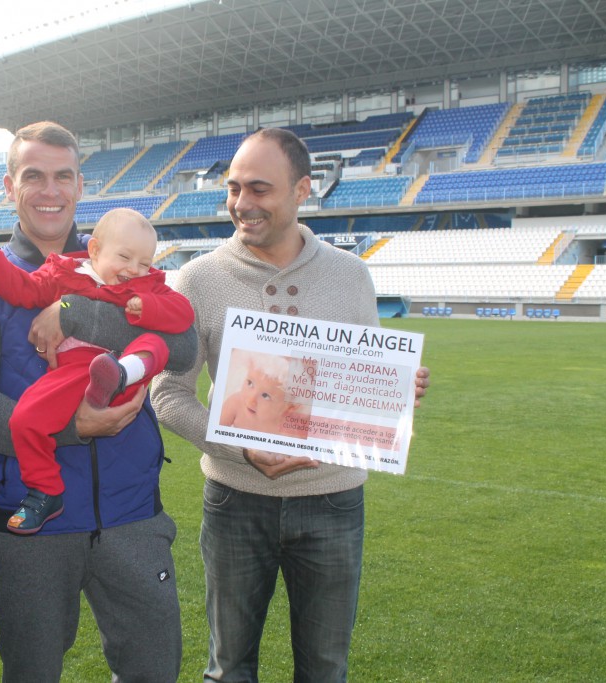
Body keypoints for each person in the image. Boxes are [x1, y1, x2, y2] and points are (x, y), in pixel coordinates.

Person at [151, 128, 430, 683]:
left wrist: (394, 386)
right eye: (233, 188)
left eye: (259, 188)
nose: (241, 204)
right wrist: (239, 447)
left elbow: (359, 381)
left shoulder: (351, 275)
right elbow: (167, 391)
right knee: (229, 669)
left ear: (303, 189)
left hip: (333, 501)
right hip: (235, 501)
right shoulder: (197, 278)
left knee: (325, 669)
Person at [0, 121, 196, 682]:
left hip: (132, 516)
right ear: (10, 187)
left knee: (153, 671)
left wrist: (73, 312)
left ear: (81, 185)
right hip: (35, 527)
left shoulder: (125, 261)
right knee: (32, 673)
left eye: (63, 176)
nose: (50, 190)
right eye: (33, 176)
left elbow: (181, 346)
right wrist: (73, 427)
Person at [0, 207, 194, 534]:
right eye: (125, 257)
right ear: (96, 250)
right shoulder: (63, 274)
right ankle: (45, 491)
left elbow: (182, 316)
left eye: (144, 263)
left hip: (128, 375)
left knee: (154, 344)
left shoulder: (149, 286)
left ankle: (121, 372)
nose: (134, 270)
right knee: (23, 420)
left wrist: (150, 308)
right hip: (72, 375)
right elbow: (22, 289)